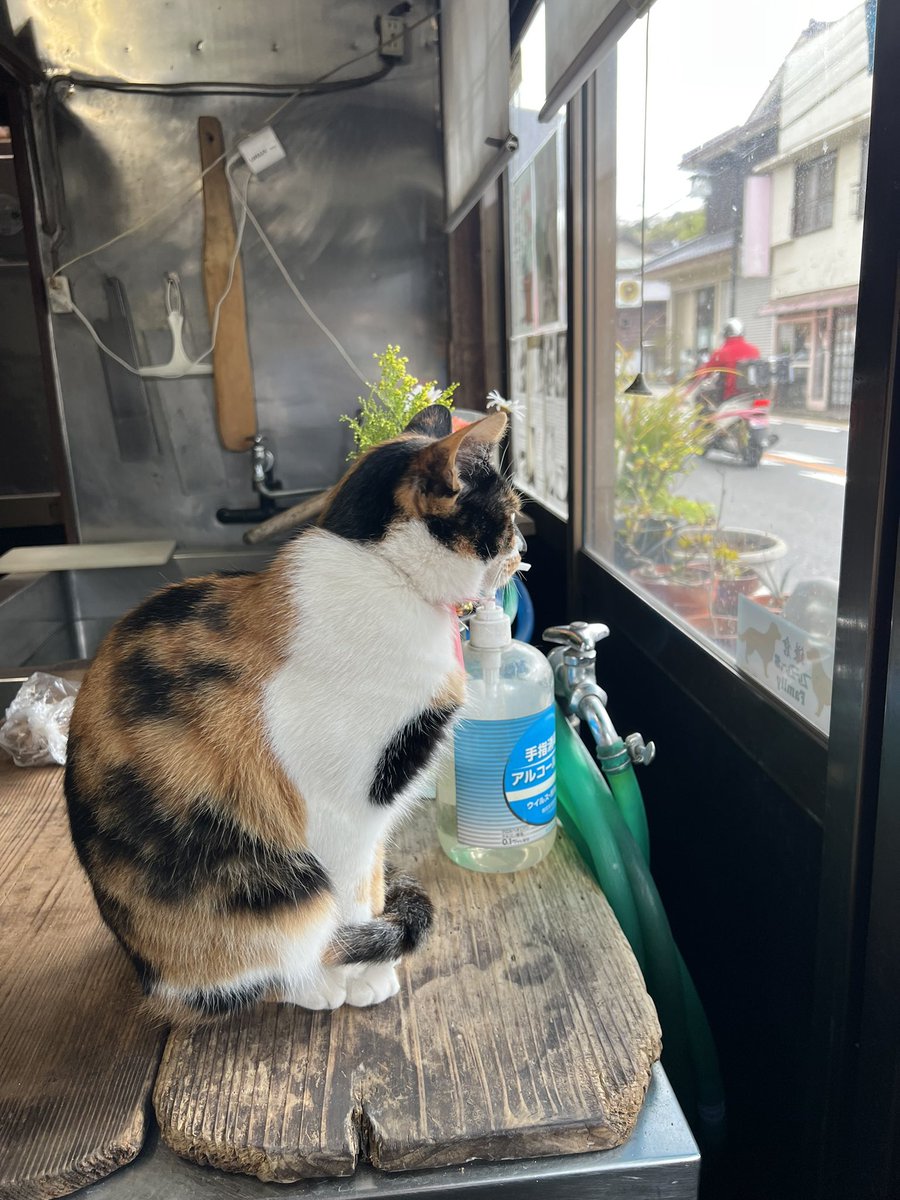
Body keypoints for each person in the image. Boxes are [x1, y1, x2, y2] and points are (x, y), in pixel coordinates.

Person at [699, 318, 760, 402]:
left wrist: (698, 375)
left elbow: (706, 371)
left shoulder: (722, 352)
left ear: (725, 333)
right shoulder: (754, 350)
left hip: (731, 395)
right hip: (752, 394)